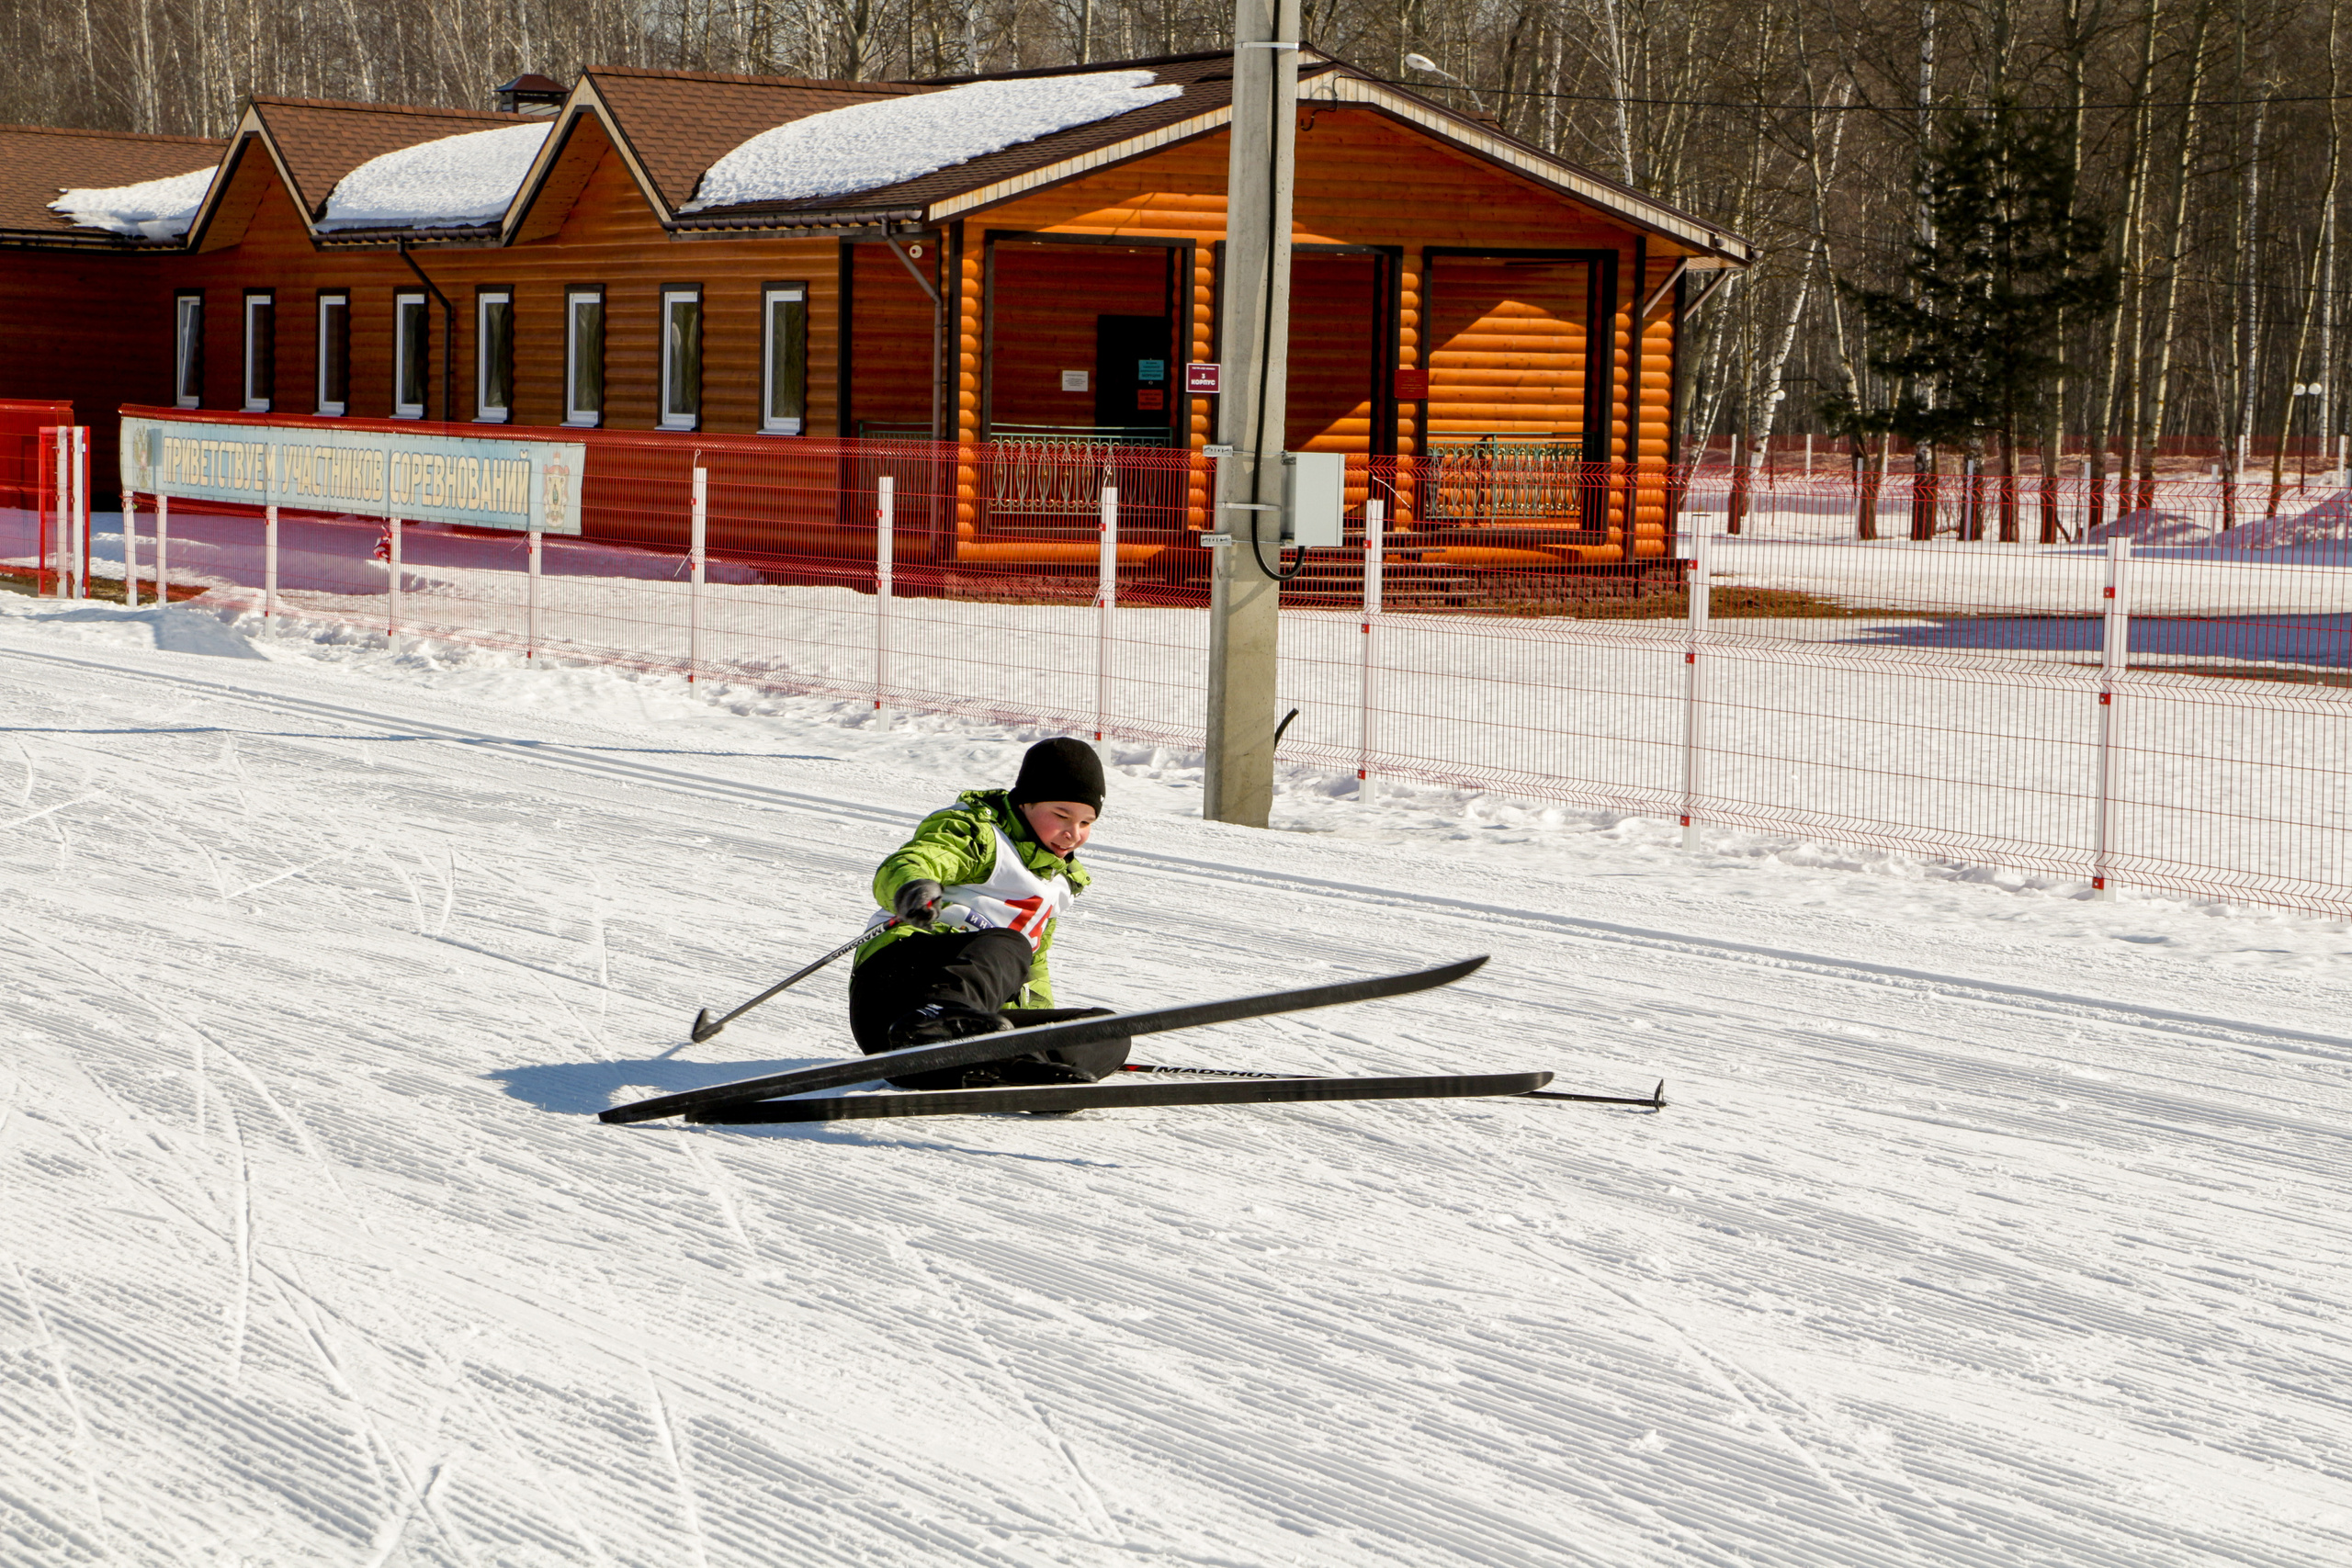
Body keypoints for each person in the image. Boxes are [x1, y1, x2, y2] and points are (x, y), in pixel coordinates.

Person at [848, 738, 1125, 1089]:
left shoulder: (1057, 883)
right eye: (1061, 816)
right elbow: (916, 860)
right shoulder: (979, 834)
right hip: (895, 1000)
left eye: (1087, 822)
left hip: (969, 1031)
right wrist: (914, 888)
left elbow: (1033, 972)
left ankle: (1014, 1068)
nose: (1074, 834)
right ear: (1026, 802)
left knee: (1108, 1030)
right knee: (1009, 944)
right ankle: (937, 1019)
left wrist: (1043, 1034)